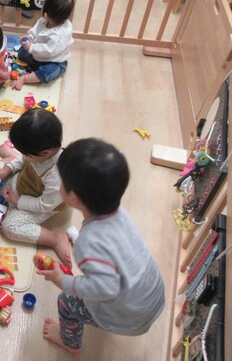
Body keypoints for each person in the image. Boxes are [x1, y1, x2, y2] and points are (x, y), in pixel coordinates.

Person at [38, 138, 165, 354]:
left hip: (129, 318)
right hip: (151, 298)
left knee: (66, 301)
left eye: (61, 182)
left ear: (73, 198)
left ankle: (69, 342)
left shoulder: (87, 244)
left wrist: (63, 280)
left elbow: (104, 288)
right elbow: (113, 252)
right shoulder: (120, 214)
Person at [0, 108, 72, 266]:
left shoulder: (57, 175)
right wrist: (7, 169)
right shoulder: (39, 151)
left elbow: (45, 205)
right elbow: (24, 159)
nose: (24, 156)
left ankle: (55, 239)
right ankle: (11, 157)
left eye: (26, 153)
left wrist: (18, 202)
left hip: (42, 205)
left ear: (45, 153)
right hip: (21, 184)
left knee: (10, 227)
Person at [14, 0, 74, 89]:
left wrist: (31, 47)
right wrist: (30, 37)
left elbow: (49, 51)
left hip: (53, 61)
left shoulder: (59, 35)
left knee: (50, 71)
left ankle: (25, 78)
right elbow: (36, 29)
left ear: (46, 14)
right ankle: (34, 67)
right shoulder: (45, 20)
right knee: (22, 53)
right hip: (37, 54)